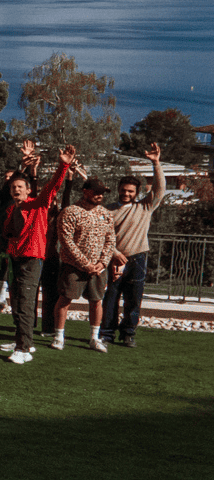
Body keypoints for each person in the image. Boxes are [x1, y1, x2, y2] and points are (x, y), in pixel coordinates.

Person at [0, 146, 71, 363]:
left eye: (20, 187)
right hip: (14, 260)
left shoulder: (38, 204)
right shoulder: (11, 209)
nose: (16, 190)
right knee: (16, 303)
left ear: (28, 190)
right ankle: (22, 340)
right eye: (13, 187)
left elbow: (53, 187)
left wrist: (63, 165)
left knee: (26, 304)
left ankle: (23, 349)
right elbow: (9, 234)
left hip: (32, 260)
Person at [103, 144, 165, 348]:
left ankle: (128, 333)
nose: (126, 193)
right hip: (113, 259)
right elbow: (101, 236)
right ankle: (106, 333)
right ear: (118, 190)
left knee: (133, 299)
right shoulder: (107, 211)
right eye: (123, 190)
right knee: (110, 297)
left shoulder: (145, 206)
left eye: (130, 191)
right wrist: (114, 253)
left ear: (137, 192)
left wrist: (156, 163)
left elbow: (160, 189)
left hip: (138, 258)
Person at [52, 174, 116, 353]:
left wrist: (103, 263)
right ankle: (58, 337)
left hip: (98, 268)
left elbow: (110, 240)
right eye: (96, 192)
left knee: (96, 301)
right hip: (73, 266)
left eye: (102, 193)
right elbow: (66, 241)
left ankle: (94, 338)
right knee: (65, 300)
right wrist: (85, 264)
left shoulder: (106, 214)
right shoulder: (70, 212)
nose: (99, 195)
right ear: (85, 191)